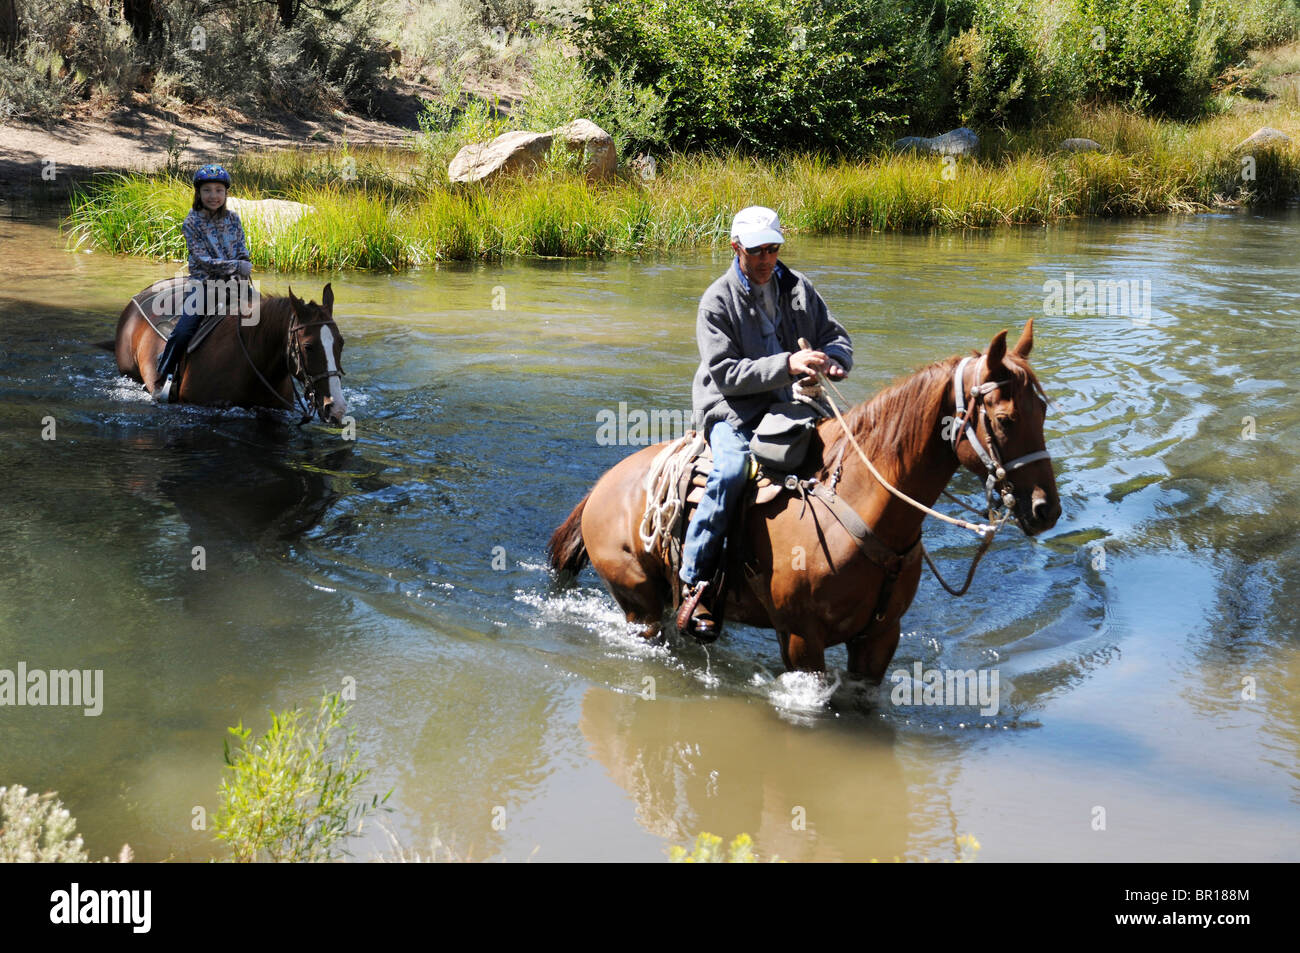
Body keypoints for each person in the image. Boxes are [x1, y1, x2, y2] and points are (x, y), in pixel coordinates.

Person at [677, 206, 853, 638]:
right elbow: (728, 375)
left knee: (842, 454)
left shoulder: (797, 287)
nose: (767, 259)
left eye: (773, 249)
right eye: (757, 251)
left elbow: (835, 334)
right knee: (731, 470)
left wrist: (835, 360)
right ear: (736, 248)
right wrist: (790, 363)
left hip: (786, 402)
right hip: (729, 408)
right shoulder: (716, 301)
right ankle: (694, 580)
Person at [153, 163, 252, 401]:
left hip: (235, 285)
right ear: (199, 193)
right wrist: (237, 266)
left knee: (271, 321)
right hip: (204, 286)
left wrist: (243, 264)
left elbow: (241, 250)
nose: (213, 196)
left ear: (226, 193)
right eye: (207, 190)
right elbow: (203, 260)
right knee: (183, 331)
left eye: (219, 190)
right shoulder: (192, 221)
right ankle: (164, 377)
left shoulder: (234, 219)